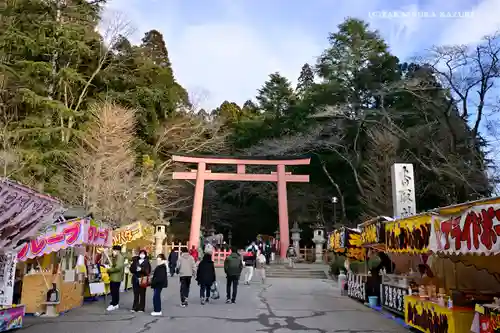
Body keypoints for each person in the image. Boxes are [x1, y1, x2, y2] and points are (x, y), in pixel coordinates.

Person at [106, 245, 125, 311]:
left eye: (114, 250)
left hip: (116, 277)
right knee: (114, 291)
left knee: (114, 291)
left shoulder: (120, 257)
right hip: (114, 277)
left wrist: (109, 270)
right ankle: (115, 303)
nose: (113, 251)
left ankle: (113, 304)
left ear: (117, 250)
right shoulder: (117, 257)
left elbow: (118, 268)